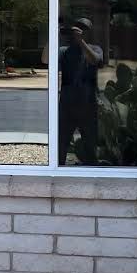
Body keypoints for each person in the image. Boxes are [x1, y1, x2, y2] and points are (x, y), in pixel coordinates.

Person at [57, 16, 104, 163]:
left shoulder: (95, 49)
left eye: (83, 29)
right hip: (67, 106)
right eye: (77, 29)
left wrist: (81, 42)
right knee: (61, 145)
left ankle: (92, 177)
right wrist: (53, 35)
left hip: (88, 106)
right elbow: (45, 59)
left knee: (90, 147)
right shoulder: (65, 51)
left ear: (88, 33)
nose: (79, 31)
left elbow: (95, 60)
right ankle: (59, 174)